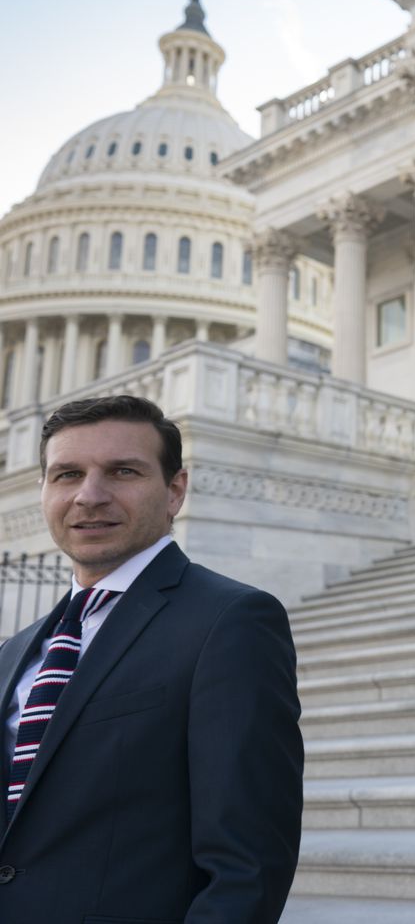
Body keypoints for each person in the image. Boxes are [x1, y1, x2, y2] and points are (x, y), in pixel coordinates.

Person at [0, 394, 303, 923]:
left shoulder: (231, 622)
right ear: (44, 490)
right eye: (67, 474)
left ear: (175, 490)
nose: (90, 497)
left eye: (122, 471)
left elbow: (247, 867)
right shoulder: (16, 650)